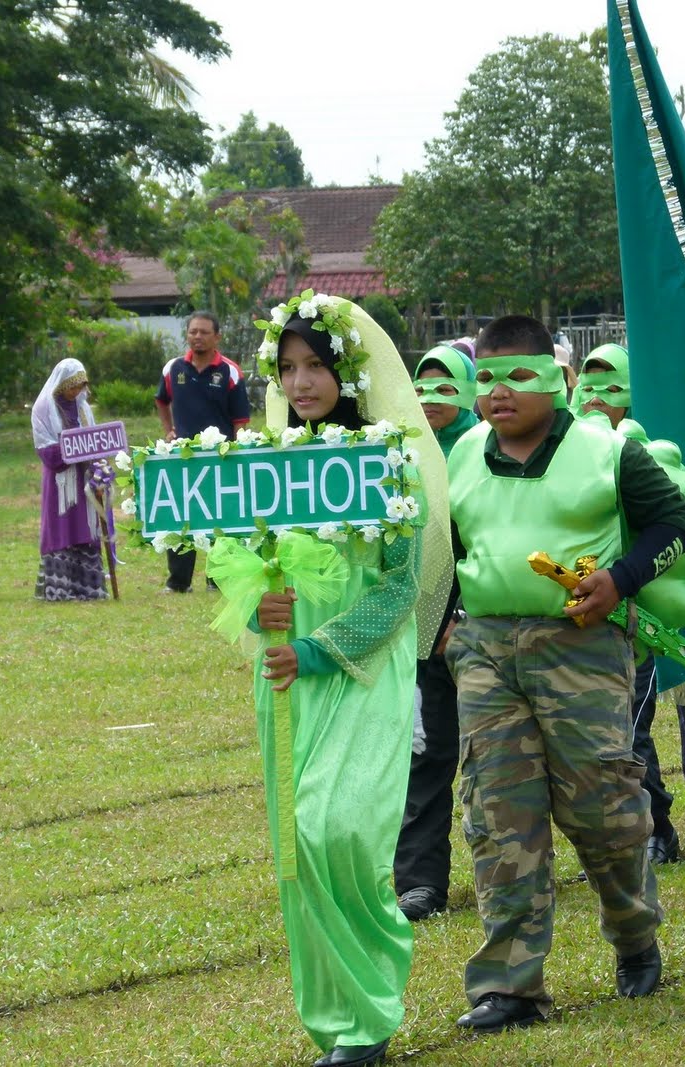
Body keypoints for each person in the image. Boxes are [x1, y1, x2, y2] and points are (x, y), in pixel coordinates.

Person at [446, 315, 685, 1030]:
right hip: (487, 652)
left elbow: (674, 525)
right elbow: (442, 549)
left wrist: (620, 578)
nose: (500, 392)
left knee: (602, 805)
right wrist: (445, 629)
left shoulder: (607, 451)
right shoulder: (457, 454)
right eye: (486, 378)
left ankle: (635, 934)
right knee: (498, 812)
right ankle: (508, 986)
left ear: (558, 378)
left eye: (519, 375)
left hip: (580, 646)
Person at [246, 292, 453, 1066]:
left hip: (363, 665)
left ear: (347, 370)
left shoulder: (387, 456)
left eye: (316, 365)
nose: (300, 383)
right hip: (283, 666)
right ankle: (335, 1020)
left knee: (342, 829)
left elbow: (402, 589)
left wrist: (323, 648)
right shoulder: (264, 462)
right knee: (295, 842)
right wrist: (254, 606)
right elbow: (243, 565)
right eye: (288, 367)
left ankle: (371, 1008)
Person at [573, 342, 683, 866]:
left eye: (611, 388)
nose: (596, 399)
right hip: (566, 620)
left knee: (632, 731)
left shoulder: (646, 450)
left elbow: (674, 523)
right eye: (587, 387)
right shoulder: (562, 449)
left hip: (631, 616)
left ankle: (657, 828)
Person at [393, 340, 479, 922]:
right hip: (419, 634)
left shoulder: (485, 451)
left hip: (485, 631)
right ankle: (420, 880)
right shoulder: (401, 456)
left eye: (445, 386)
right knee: (425, 754)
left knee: (506, 757)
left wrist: (468, 618)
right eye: (420, 387)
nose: (430, 399)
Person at [154, 311, 251, 593]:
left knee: (220, 517)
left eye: (204, 332)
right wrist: (168, 430)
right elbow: (161, 400)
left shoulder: (230, 372)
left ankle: (216, 579)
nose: (197, 336)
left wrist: (238, 451)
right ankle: (179, 582)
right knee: (181, 516)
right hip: (183, 458)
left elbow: (241, 421)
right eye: (193, 331)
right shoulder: (173, 369)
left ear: (217, 337)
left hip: (220, 457)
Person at [32, 358, 111, 601]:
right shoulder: (44, 408)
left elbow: (95, 439)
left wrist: (97, 463)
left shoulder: (83, 407)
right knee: (61, 525)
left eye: (80, 386)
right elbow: (46, 449)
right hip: (61, 483)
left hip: (83, 478)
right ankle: (59, 588)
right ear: (61, 384)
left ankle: (89, 588)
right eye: (72, 386)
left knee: (85, 526)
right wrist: (73, 448)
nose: (76, 391)